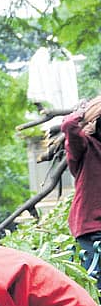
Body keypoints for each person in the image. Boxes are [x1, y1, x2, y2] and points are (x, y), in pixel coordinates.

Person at [61, 95, 101, 289]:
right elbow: (69, 125)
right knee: (96, 283)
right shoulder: (85, 148)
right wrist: (81, 112)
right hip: (90, 228)